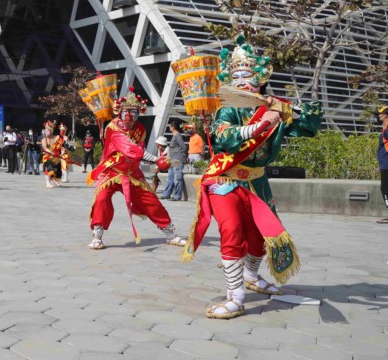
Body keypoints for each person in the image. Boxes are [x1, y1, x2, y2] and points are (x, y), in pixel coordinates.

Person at [181, 36, 322, 319]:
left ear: (260, 78)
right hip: (226, 180)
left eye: (248, 75)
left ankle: (251, 276)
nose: (243, 81)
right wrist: (259, 126)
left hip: (257, 181)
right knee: (232, 231)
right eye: (237, 76)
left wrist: (289, 109)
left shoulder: (273, 108)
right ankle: (235, 296)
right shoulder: (227, 107)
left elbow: (309, 127)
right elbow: (226, 136)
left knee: (260, 236)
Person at [87, 87, 187, 250]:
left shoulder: (140, 129)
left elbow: (138, 150)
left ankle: (170, 233)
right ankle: (97, 235)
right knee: (102, 199)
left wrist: (154, 161)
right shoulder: (113, 127)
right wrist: (156, 159)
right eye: (126, 111)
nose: (129, 115)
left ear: (139, 112)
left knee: (151, 200)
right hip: (112, 171)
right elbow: (131, 149)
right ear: (120, 111)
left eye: (133, 111)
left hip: (132, 172)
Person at [159, 120, 187, 202]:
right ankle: (166, 194)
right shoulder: (175, 136)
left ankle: (177, 195)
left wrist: (182, 154)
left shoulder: (178, 136)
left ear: (173, 127)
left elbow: (184, 147)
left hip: (177, 159)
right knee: (170, 177)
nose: (169, 127)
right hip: (172, 159)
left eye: (170, 126)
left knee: (177, 178)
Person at [377, 106, 388, 225]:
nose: (379, 115)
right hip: (385, 164)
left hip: (387, 164)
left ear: (386, 115)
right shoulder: (385, 128)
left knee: (385, 189)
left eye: (380, 114)